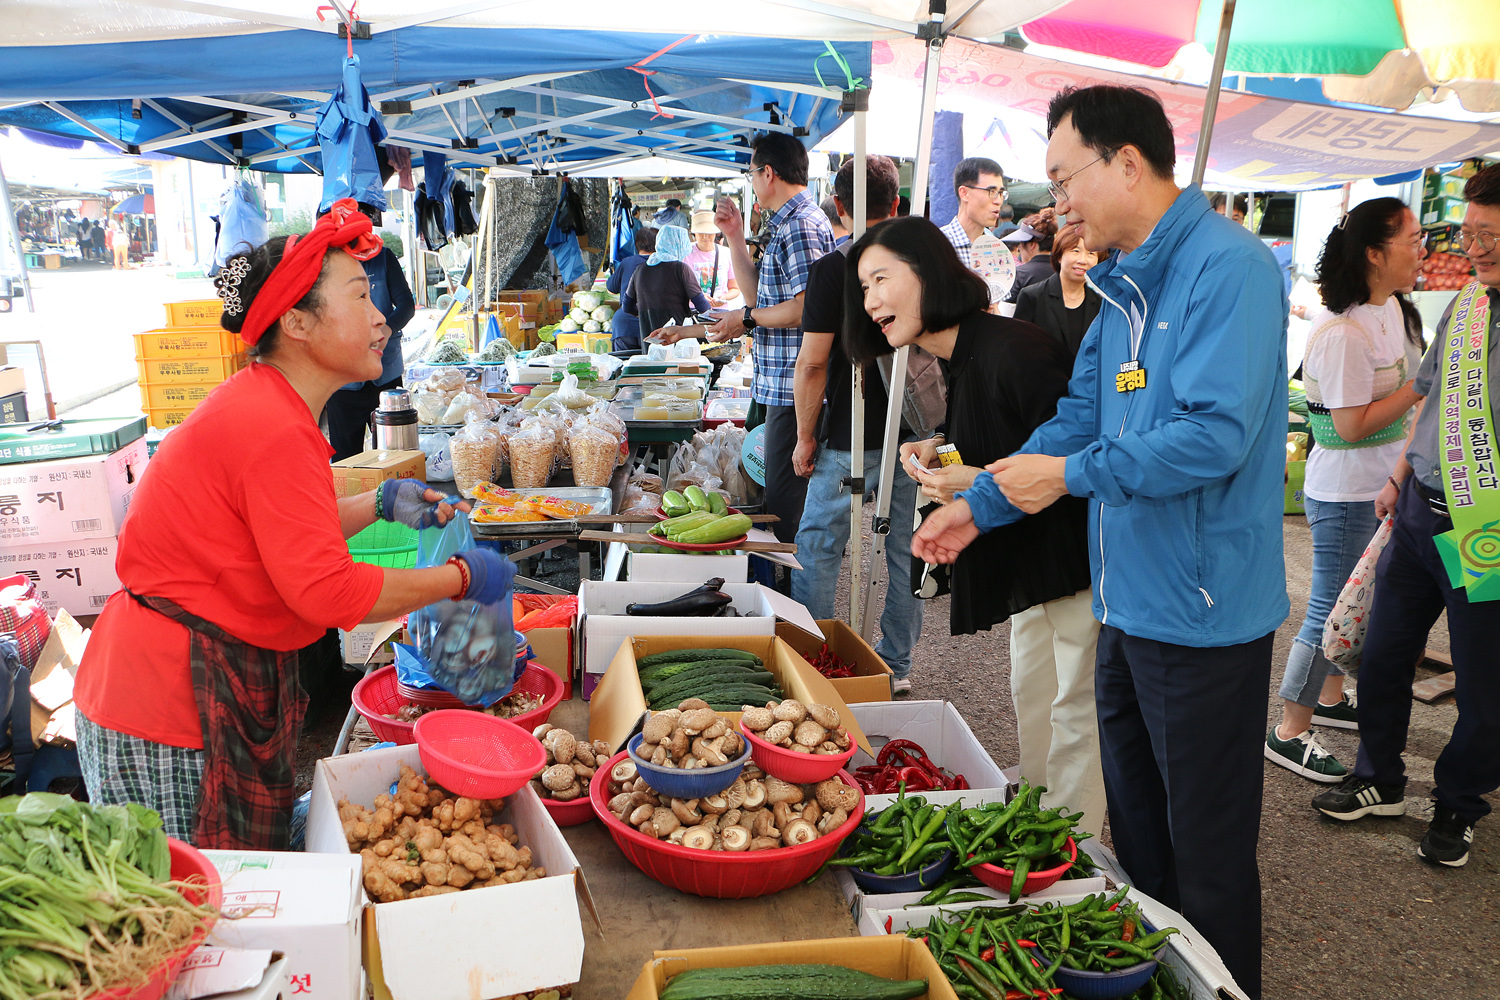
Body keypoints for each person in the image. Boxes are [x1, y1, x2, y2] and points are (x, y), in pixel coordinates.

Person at [912, 85, 1288, 1000]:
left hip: (1201, 618)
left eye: (1062, 176)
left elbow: (1211, 437)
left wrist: (1072, 479)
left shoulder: (1226, 270)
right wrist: (987, 501)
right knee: (1144, 851)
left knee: (1208, 863)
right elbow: (1078, 420)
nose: (1055, 201)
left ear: (1127, 162)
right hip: (1126, 607)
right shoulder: (1121, 284)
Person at [71, 201, 515, 850]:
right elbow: (328, 593)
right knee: (206, 912)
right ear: (297, 321)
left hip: (191, 683)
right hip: (167, 705)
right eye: (360, 297)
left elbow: (279, 538)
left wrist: (380, 504)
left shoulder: (270, 407)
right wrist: (458, 577)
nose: (381, 316)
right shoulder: (271, 424)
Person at [849, 216, 1103, 833]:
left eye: (882, 278)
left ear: (929, 273)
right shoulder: (961, 354)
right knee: (1033, 693)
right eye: (862, 288)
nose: (871, 300)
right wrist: (942, 445)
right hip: (1024, 558)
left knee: (1075, 712)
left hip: (1072, 562)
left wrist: (972, 482)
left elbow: (1073, 457)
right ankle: (1039, 821)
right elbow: (1012, 438)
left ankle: (1072, 850)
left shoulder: (1014, 346)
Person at [1310, 164, 1500, 869]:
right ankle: (1380, 778)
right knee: (1383, 655)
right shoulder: (1467, 306)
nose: (1471, 248)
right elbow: (1433, 402)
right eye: (1467, 232)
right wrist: (1398, 478)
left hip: (1488, 527)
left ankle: (1458, 802)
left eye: (1488, 235)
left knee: (1484, 681)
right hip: (1420, 511)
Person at [1265, 199, 1426, 784]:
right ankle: (1288, 729)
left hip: (1379, 484)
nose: (1422, 249)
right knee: (1330, 610)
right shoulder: (1341, 333)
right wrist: (1419, 389)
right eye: (1412, 239)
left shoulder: (1391, 313)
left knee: (1354, 608)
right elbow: (1349, 425)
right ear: (1375, 254)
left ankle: (1330, 699)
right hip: (1343, 493)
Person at [790, 155, 925, 694]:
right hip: (918, 436)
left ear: (839, 206)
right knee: (905, 551)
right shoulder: (921, 263)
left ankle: (813, 662)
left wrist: (804, 436)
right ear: (896, 202)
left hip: (848, 437)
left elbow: (813, 362)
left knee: (819, 546)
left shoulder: (835, 267)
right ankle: (898, 668)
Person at [708, 132, 837, 544]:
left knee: (785, 503)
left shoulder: (800, 225)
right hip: (779, 384)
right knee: (777, 496)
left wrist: (746, 320)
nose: (751, 183)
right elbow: (757, 297)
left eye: (752, 174)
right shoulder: (787, 223)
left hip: (793, 386)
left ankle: (793, 597)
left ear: (768, 173)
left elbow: (806, 308)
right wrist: (734, 235)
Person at [324, 203, 416, 462]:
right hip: (344, 380)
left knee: (394, 457)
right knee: (346, 460)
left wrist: (386, 330)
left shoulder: (384, 257)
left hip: (385, 375)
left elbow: (406, 305)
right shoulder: (327, 264)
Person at [1013, 224, 1101, 359]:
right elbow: (1018, 349)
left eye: (1091, 253)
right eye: (1075, 251)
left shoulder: (1100, 303)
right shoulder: (1032, 297)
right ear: (1059, 256)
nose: (1083, 260)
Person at [623, 225, 712, 341]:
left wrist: (648, 314)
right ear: (679, 245)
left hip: (650, 340)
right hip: (676, 341)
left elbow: (627, 307)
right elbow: (703, 307)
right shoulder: (681, 269)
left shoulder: (640, 269)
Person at [940, 157, 1006, 268]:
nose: (998, 201)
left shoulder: (996, 248)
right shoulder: (938, 246)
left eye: (1000, 193)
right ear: (964, 193)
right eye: (991, 191)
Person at [607, 226, 653, 352]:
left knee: (623, 366)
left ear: (636, 244)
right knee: (655, 367)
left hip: (624, 323)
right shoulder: (665, 264)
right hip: (654, 325)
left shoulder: (627, 262)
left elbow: (611, 290)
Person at [1004, 208, 1059, 302]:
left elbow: (1008, 309)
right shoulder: (1062, 271)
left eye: (1020, 244)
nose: (1019, 248)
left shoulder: (1020, 274)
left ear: (1031, 245)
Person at [685, 211, 738, 307]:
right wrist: (697, 297)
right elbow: (677, 289)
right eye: (701, 233)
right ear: (694, 233)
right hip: (694, 314)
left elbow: (735, 288)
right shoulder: (684, 254)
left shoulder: (726, 253)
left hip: (720, 313)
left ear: (715, 233)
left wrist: (724, 297)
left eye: (709, 233)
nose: (705, 236)